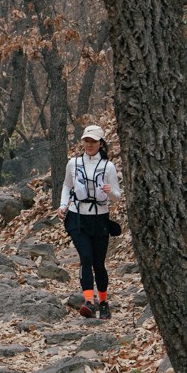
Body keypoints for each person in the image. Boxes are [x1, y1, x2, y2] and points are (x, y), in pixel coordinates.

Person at [58, 124, 122, 319]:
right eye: (86, 140)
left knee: (98, 263)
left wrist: (109, 192)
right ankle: (88, 302)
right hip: (77, 217)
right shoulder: (73, 163)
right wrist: (63, 205)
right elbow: (67, 185)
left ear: (101, 143)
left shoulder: (108, 166)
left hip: (100, 218)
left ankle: (103, 302)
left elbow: (117, 197)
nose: (89, 144)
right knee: (85, 258)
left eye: (93, 141)